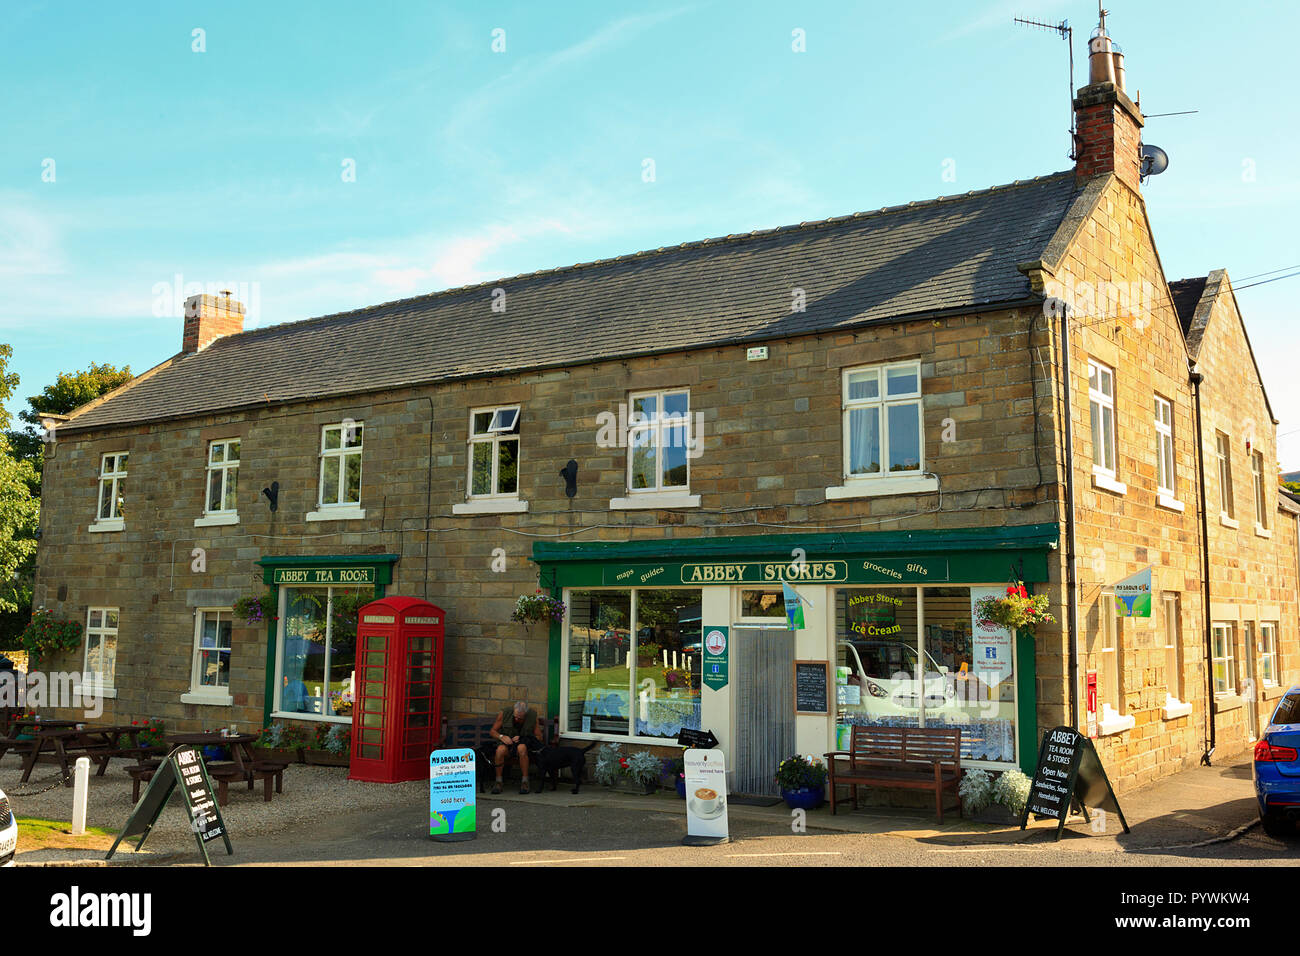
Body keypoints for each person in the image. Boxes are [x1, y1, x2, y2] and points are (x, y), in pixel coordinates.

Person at [490, 700, 541, 794]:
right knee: (500, 750)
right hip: (506, 743)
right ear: (514, 711)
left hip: (523, 745)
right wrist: (502, 737)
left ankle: (525, 781)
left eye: (520, 718)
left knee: (522, 748)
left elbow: (538, 737)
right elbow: (493, 731)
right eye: (515, 717)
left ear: (525, 714)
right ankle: (498, 781)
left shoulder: (533, 716)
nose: (517, 719)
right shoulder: (504, 713)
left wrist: (523, 738)